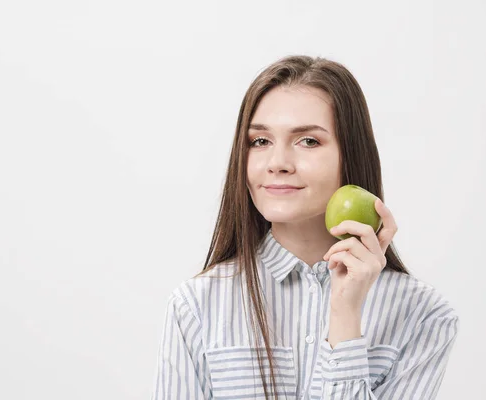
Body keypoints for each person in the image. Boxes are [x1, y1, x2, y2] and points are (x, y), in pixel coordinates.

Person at [151, 55, 459, 399]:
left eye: (308, 141)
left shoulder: (422, 315)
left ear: (351, 155)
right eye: (260, 141)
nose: (278, 163)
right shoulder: (194, 306)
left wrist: (346, 315)